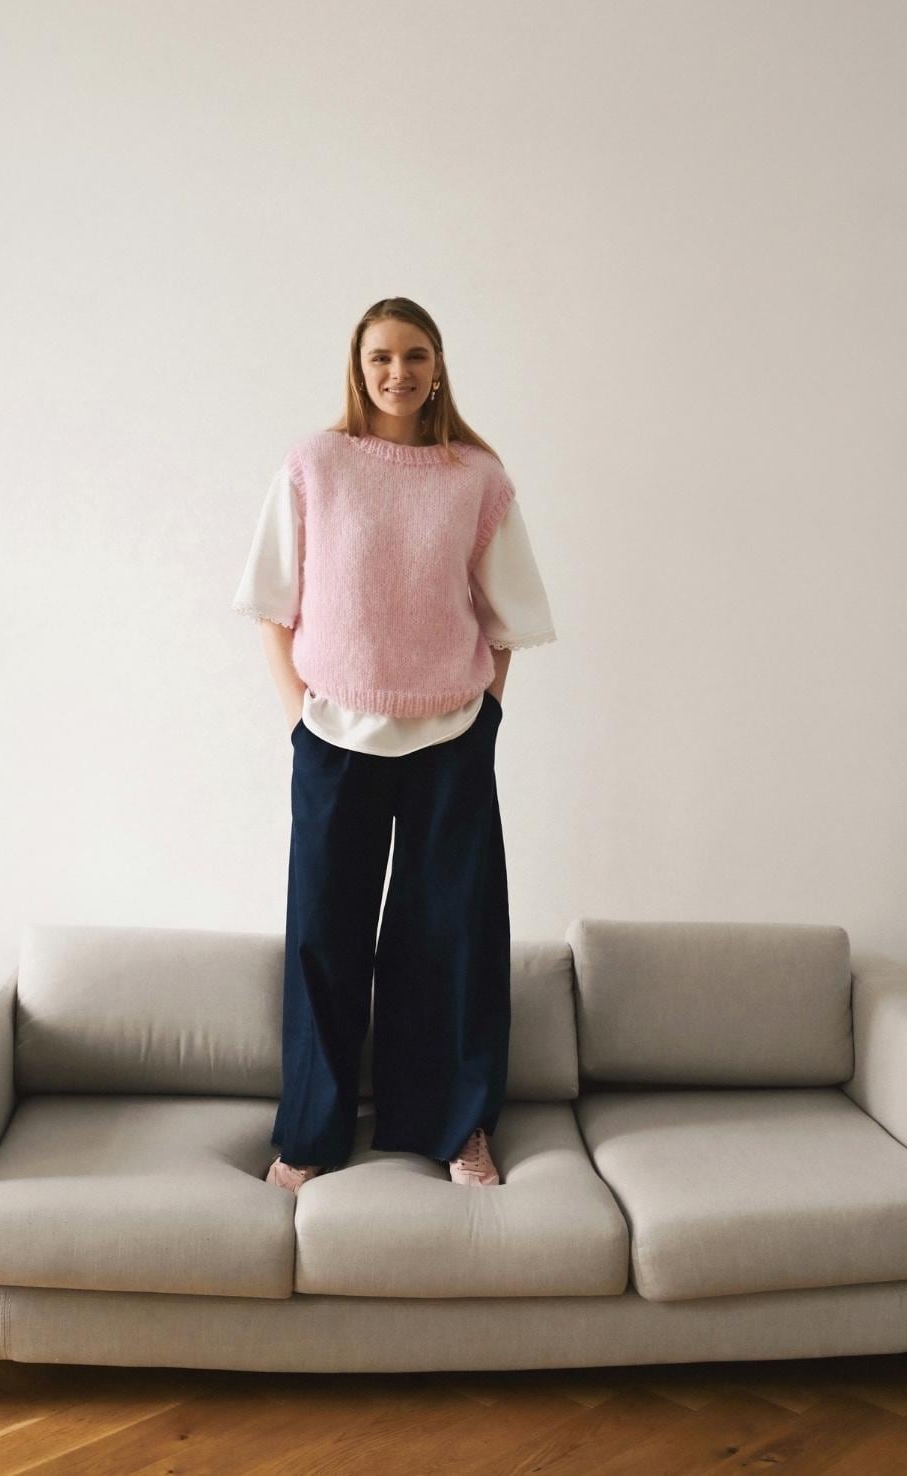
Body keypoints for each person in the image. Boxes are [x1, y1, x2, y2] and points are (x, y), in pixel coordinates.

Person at [232, 297, 556, 1194]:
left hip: (450, 737)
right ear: (357, 365)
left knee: (450, 937)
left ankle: (456, 1129)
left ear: (438, 366)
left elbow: (505, 618)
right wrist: (298, 716)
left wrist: (485, 717)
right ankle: (309, 1136)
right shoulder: (315, 464)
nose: (397, 372)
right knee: (323, 936)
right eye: (380, 356)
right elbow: (271, 604)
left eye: (415, 355)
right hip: (332, 734)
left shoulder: (474, 478)